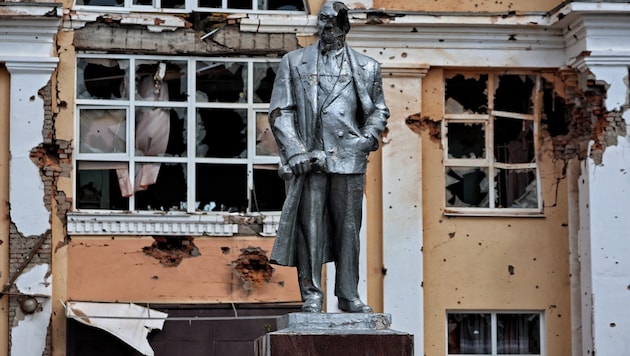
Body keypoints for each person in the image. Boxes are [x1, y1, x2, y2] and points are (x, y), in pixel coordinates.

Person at [268, 1, 390, 313]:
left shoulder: (367, 67)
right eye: (323, 21)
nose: (327, 28)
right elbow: (281, 111)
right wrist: (294, 150)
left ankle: (348, 295)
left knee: (349, 230)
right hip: (310, 159)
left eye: (334, 23)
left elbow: (378, 109)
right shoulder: (294, 61)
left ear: (346, 26)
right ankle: (311, 295)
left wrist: (367, 139)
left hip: (349, 158)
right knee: (310, 229)